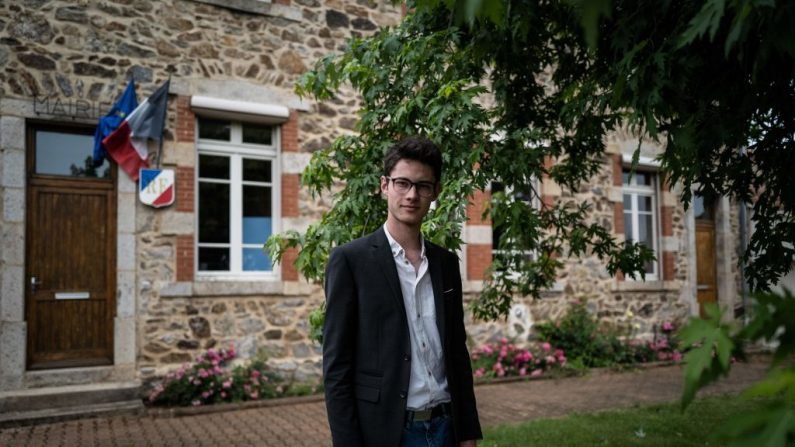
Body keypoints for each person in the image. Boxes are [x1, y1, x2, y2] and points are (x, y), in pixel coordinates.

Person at [323, 136, 482, 447]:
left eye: (423, 186)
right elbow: (336, 368)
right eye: (402, 183)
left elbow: (457, 355)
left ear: (435, 192)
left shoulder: (446, 263)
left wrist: (468, 433)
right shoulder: (350, 261)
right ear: (385, 186)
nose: (412, 195)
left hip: (446, 426)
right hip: (389, 432)